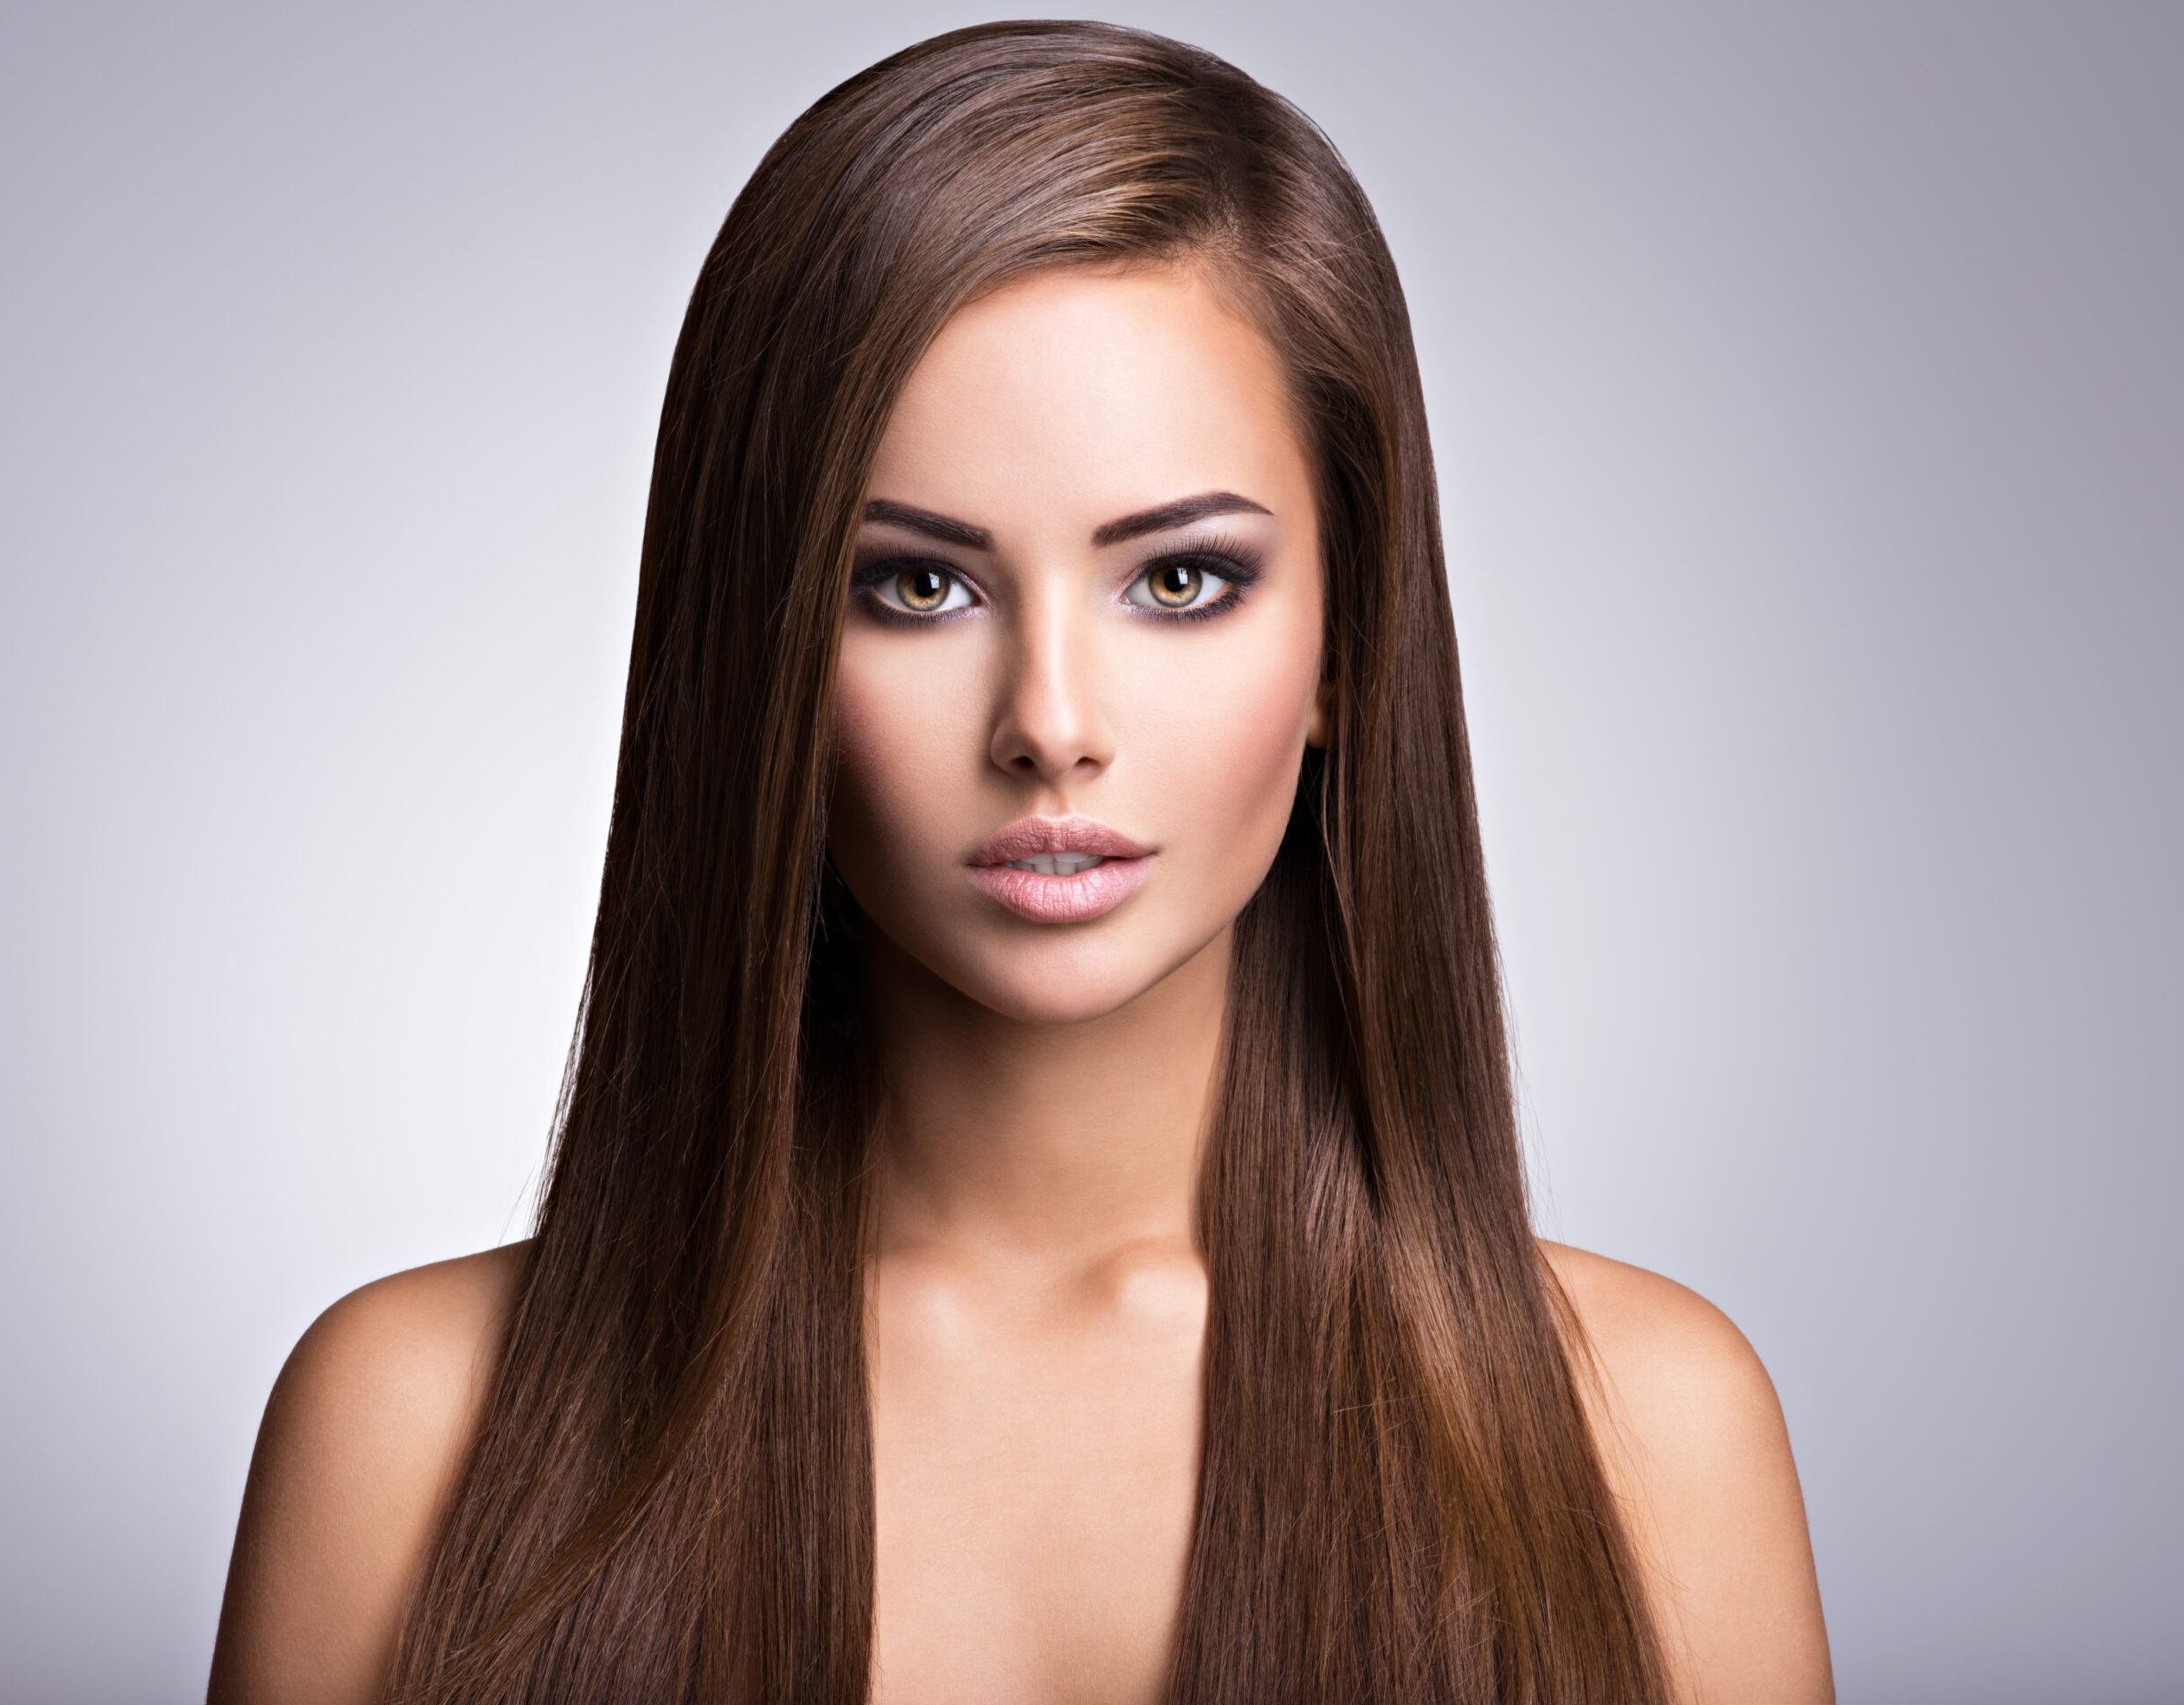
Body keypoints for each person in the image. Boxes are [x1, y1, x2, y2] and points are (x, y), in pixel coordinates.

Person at [209, 22, 1832, 1704]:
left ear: (1352, 641)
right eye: (917, 587)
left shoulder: (1649, 1443)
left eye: (1182, 581)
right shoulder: (407, 1435)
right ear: (758, 649)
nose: (1051, 725)